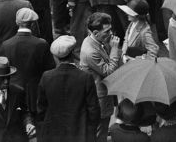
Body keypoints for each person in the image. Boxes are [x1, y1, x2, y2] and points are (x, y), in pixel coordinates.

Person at [37, 34, 99, 140]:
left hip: (53, 133)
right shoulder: (85, 77)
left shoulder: (46, 77)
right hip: (79, 133)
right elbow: (93, 109)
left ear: (56, 56)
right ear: (73, 53)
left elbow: (41, 108)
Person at [1, 7, 54, 116]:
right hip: (36, 94)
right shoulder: (41, 44)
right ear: (33, 24)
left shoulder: (6, 45)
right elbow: (50, 69)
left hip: (13, 94)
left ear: (17, 23)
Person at [78, 12, 121, 141]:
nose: (111, 33)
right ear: (96, 33)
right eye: (107, 31)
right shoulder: (90, 52)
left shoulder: (94, 40)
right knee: (100, 131)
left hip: (104, 91)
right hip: (99, 96)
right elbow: (109, 72)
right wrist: (114, 49)